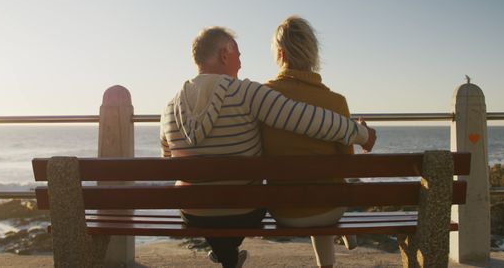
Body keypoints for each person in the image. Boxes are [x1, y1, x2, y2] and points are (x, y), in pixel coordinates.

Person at [160, 26, 377, 268]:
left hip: (193, 216)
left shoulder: (170, 107)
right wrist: (361, 133)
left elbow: (169, 161)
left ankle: (226, 255)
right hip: (243, 213)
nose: (240, 64)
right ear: (224, 55)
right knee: (236, 201)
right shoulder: (247, 93)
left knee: (206, 204)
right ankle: (228, 254)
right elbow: (307, 119)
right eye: (238, 55)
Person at [261, 16, 377, 268]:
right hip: (329, 209)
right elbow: (347, 164)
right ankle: (331, 257)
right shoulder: (336, 102)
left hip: (284, 211)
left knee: (310, 193)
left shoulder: (264, 98)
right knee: (326, 195)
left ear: (280, 54)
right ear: (313, 53)